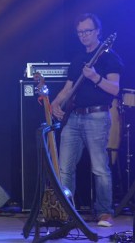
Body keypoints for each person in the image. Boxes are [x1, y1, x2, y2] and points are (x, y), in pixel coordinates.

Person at [51, 13, 122, 227]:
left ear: (98, 31)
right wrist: (55, 103)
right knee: (65, 167)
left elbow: (114, 89)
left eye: (88, 31)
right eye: (80, 32)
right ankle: (65, 210)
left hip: (97, 117)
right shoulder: (77, 59)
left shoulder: (110, 58)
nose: (84, 35)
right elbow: (68, 88)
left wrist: (95, 77)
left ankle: (105, 212)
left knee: (99, 168)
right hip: (74, 118)